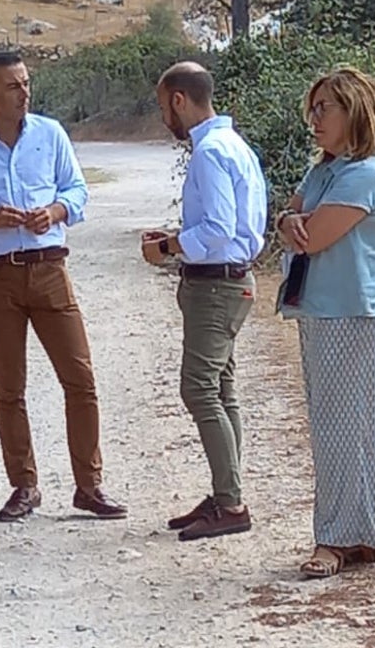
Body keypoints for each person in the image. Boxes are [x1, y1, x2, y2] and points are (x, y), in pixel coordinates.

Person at [0, 50, 127, 523]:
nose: (24, 92)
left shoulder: (50, 134)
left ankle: (90, 485)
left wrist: (56, 212)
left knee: (79, 378)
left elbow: (77, 191)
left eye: (26, 83)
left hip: (49, 266)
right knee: (9, 385)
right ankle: (24, 485)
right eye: (13, 85)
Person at [273, 66, 375, 578]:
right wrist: (288, 221)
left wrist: (292, 225)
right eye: (314, 108)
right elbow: (291, 216)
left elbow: (312, 235)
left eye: (326, 107)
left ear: (355, 112)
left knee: (340, 426)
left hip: (348, 311)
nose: (315, 118)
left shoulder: (365, 174)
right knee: (355, 422)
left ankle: (336, 538)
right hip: (329, 309)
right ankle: (367, 528)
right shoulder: (327, 170)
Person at [140, 61, 267, 542]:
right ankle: (224, 492)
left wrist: (170, 246)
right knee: (221, 388)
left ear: (178, 100)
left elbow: (216, 230)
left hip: (216, 284)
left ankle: (231, 502)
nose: (163, 119)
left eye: (162, 107)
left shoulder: (210, 152)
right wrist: (176, 241)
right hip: (232, 280)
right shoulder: (234, 146)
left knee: (199, 390)